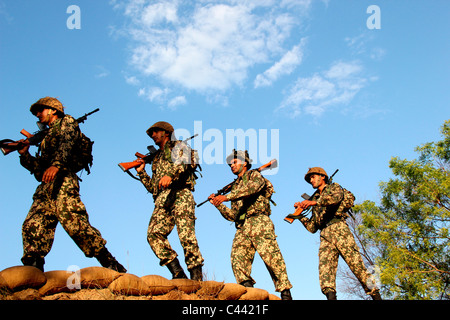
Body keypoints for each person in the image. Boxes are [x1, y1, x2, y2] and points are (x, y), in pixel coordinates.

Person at [17, 97, 126, 273]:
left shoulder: (67, 122)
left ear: (53, 110)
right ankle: (33, 270)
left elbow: (67, 143)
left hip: (64, 182)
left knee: (76, 225)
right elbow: (39, 171)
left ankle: (111, 264)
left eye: (41, 110)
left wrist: (57, 164)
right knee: (32, 225)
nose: (37, 115)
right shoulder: (46, 137)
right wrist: (24, 155)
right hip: (46, 187)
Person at [209, 150, 293, 300]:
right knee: (237, 259)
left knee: (272, 258)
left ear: (245, 163)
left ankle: (285, 293)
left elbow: (252, 189)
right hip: (243, 226)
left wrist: (226, 197)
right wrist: (218, 204)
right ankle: (249, 292)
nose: (231, 166)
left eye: (235, 162)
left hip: (259, 221)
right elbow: (233, 215)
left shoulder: (255, 176)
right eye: (230, 164)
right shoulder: (235, 187)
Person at [294, 167, 381, 300]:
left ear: (322, 177)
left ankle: (376, 296)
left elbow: (336, 198)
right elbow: (312, 227)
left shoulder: (333, 188)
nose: (311, 180)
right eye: (309, 178)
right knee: (325, 273)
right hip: (325, 234)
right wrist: (299, 216)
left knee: (358, 267)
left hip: (339, 230)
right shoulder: (315, 198)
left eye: (313, 177)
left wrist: (314, 202)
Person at [135, 121, 204, 280]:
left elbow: (184, 163)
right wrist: (141, 173)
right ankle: (178, 273)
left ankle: (196, 276)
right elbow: (154, 188)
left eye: (156, 132)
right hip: (162, 200)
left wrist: (171, 176)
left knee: (186, 235)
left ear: (166, 133)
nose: (153, 135)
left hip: (180, 194)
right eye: (151, 133)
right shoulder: (157, 157)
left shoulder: (179, 147)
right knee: (153, 234)